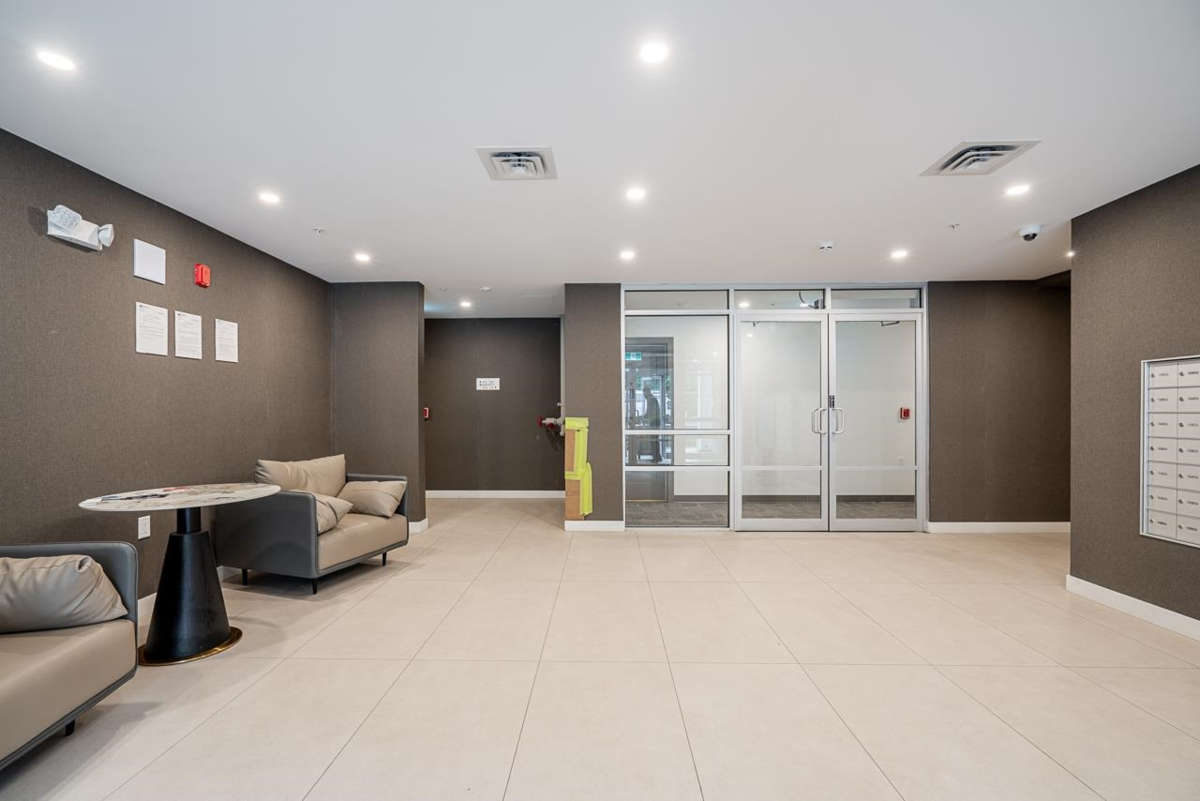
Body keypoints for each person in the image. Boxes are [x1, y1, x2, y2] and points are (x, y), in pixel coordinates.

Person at [641, 386, 662, 463]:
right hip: (656, 421)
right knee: (655, 440)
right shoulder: (652, 398)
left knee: (653, 440)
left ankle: (656, 457)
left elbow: (649, 411)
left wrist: (643, 418)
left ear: (648, 392)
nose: (644, 395)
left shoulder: (650, 399)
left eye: (644, 393)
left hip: (654, 422)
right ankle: (657, 457)